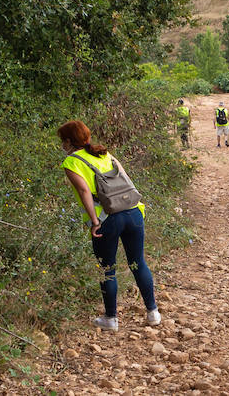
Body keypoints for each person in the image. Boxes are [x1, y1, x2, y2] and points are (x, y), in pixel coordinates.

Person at [57, 120, 160, 332]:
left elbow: (85, 192)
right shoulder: (105, 154)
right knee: (138, 262)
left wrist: (94, 221)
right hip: (133, 211)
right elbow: (127, 179)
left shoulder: (71, 162)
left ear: (68, 141)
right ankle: (153, 313)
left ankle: (111, 318)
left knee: (107, 269)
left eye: (62, 141)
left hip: (107, 218)